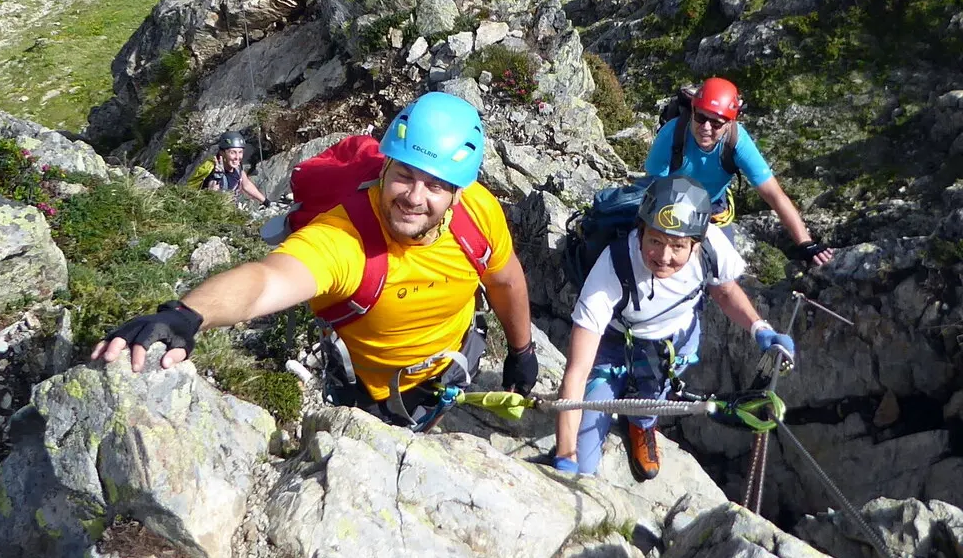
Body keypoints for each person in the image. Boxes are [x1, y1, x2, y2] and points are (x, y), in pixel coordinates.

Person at [92, 93, 539, 427]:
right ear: (385, 167)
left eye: (435, 186)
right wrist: (188, 314)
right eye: (404, 176)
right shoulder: (346, 240)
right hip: (377, 397)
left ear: (458, 191)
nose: (414, 198)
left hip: (457, 358)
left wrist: (522, 351)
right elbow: (268, 281)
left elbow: (505, 280)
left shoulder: (477, 213)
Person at [552, 175, 795, 479]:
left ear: (696, 243)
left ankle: (641, 424)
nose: (664, 257)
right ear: (640, 231)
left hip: (671, 346)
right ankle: (625, 422)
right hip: (614, 348)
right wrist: (566, 453)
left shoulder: (711, 247)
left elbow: (725, 291)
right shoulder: (613, 266)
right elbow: (577, 371)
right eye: (655, 241)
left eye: (677, 246)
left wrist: (760, 328)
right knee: (583, 466)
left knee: (652, 394)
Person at [645, 77, 834, 266]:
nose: (706, 128)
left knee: (723, 267)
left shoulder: (737, 143)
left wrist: (806, 243)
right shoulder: (672, 133)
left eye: (716, 123)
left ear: (729, 123)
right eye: (700, 118)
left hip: (712, 207)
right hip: (670, 201)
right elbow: (653, 186)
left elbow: (774, 194)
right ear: (693, 110)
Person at [200, 131, 271, 207]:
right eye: (232, 152)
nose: (237, 157)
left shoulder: (237, 167)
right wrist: (217, 178)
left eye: (240, 152)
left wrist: (266, 202)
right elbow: (210, 196)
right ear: (222, 153)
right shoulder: (214, 170)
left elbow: (246, 184)